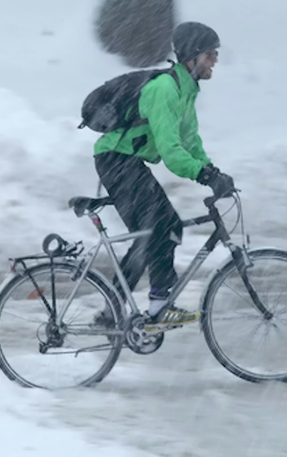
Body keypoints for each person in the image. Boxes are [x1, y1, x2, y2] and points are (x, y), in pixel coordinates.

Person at [92, 21, 235, 326]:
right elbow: (171, 152)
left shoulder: (185, 90)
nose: (215, 60)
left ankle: (146, 307)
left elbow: (190, 141)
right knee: (154, 229)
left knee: (165, 226)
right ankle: (127, 310)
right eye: (211, 54)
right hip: (115, 160)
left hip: (128, 162)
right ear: (192, 56)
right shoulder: (165, 89)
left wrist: (211, 170)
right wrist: (204, 176)